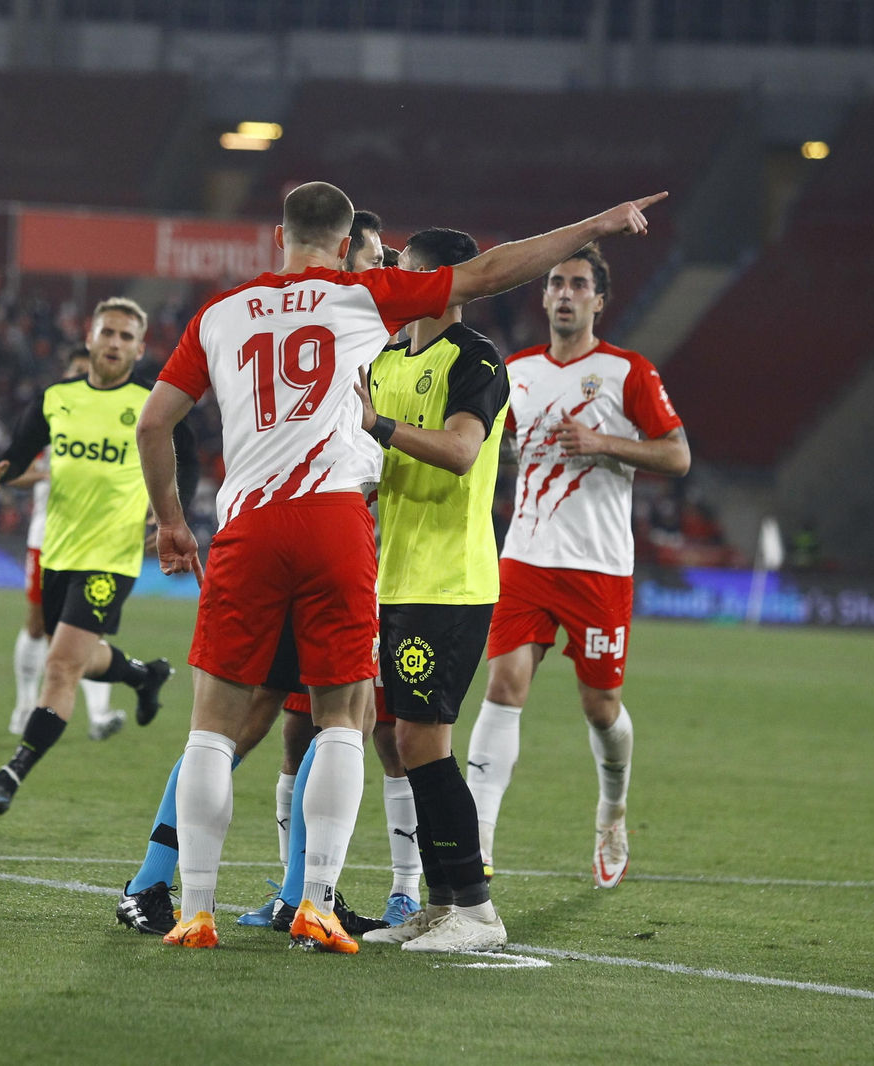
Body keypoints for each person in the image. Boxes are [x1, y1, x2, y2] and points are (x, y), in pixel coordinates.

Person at [136, 180, 668, 952]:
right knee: (351, 725)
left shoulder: (224, 312)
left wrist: (172, 522)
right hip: (341, 534)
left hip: (280, 534)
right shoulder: (365, 306)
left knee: (224, 731)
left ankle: (203, 907)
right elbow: (495, 271)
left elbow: (156, 422)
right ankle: (327, 899)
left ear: (278, 237)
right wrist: (599, 224)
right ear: (350, 240)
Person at [117, 211, 403, 937]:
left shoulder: (369, 353)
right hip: (310, 546)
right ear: (343, 257)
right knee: (258, 725)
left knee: (295, 727)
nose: (373, 273)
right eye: (368, 259)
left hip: (302, 546)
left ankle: (298, 894)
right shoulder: (338, 328)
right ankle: (157, 882)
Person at [464, 245, 690, 892]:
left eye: (578, 285)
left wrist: (604, 443)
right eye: (556, 283)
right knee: (504, 687)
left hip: (599, 568)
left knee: (600, 707)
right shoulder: (516, 372)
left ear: (599, 299)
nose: (565, 293)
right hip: (526, 559)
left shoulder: (628, 374)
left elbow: (677, 457)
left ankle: (612, 810)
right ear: (543, 298)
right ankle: (474, 849)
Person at [352, 227, 512, 953]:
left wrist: (378, 427)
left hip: (450, 581)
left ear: (441, 282)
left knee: (423, 738)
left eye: (404, 272)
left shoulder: (474, 358)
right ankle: (441, 904)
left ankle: (477, 912)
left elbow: (459, 451)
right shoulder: (386, 359)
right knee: (395, 735)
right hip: (394, 579)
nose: (393, 281)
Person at [0, 297, 187, 815]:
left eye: (126, 336)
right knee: (79, 655)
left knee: (60, 665)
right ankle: (143, 675)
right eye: (107, 332)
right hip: (57, 551)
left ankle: (10, 777)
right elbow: (20, 451)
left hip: (112, 557)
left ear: (139, 347)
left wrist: (169, 516)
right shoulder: (56, 398)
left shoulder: (152, 403)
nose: (114, 343)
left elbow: (186, 458)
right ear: (89, 337)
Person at [4, 347, 126, 739]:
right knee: (38, 626)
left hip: (98, 539)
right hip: (49, 537)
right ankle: (25, 704)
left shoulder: (114, 419)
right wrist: (44, 473)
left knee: (90, 630)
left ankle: (99, 716)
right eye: (76, 370)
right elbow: (13, 470)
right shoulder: (53, 415)